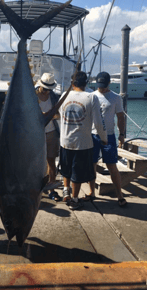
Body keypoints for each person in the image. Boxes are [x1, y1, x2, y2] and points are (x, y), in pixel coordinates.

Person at [59, 71, 107, 210]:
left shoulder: (64, 95)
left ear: (72, 83)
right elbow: (99, 122)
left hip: (65, 140)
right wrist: (104, 138)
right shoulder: (91, 97)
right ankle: (74, 200)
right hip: (83, 142)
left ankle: (66, 191)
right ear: (86, 83)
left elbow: (61, 116)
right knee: (77, 172)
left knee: (66, 168)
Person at [84, 72, 127, 207]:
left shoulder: (115, 98)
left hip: (109, 136)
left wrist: (121, 134)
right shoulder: (91, 96)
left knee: (112, 166)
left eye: (103, 86)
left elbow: (120, 117)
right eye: (99, 86)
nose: (101, 88)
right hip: (92, 135)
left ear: (109, 84)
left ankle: (119, 194)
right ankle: (92, 192)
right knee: (92, 164)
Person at [36, 73, 61, 201]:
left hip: (51, 132)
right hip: (35, 134)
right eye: (44, 88)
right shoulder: (32, 96)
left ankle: (51, 189)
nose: (46, 91)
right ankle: (34, 187)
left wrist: (49, 115)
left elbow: (57, 114)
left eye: (49, 89)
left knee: (51, 161)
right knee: (33, 162)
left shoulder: (54, 97)